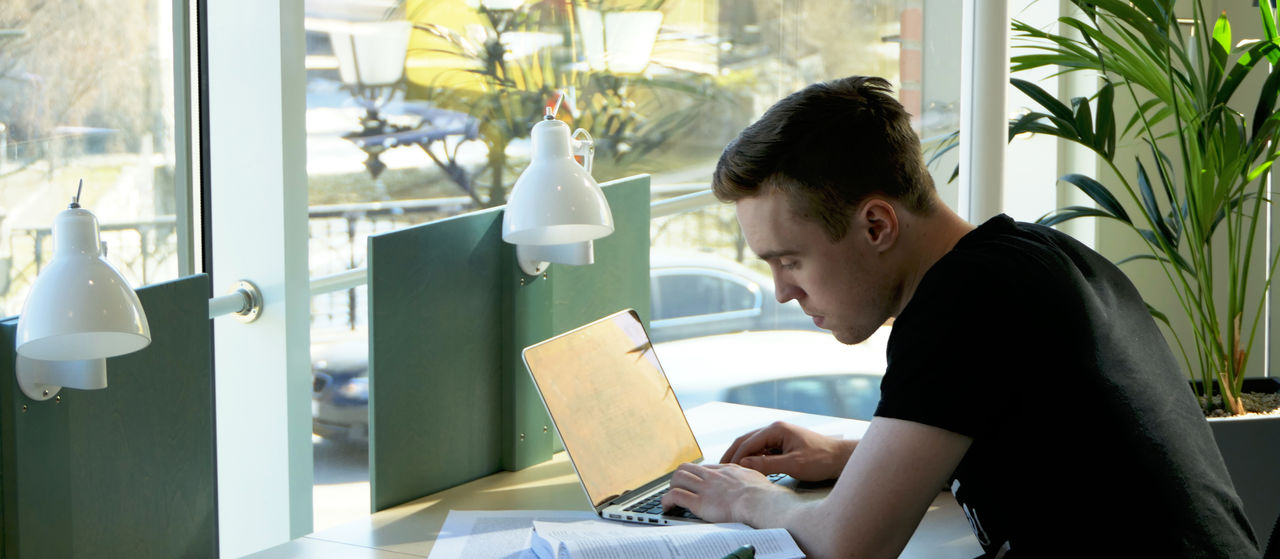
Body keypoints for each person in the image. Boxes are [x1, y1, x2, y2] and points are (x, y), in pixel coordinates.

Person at [660, 76, 1258, 558]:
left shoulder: (963, 304)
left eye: (791, 259)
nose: (782, 292)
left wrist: (745, 498)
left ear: (876, 225)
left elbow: (847, 545)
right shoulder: (1038, 256)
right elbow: (1034, 448)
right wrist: (848, 455)